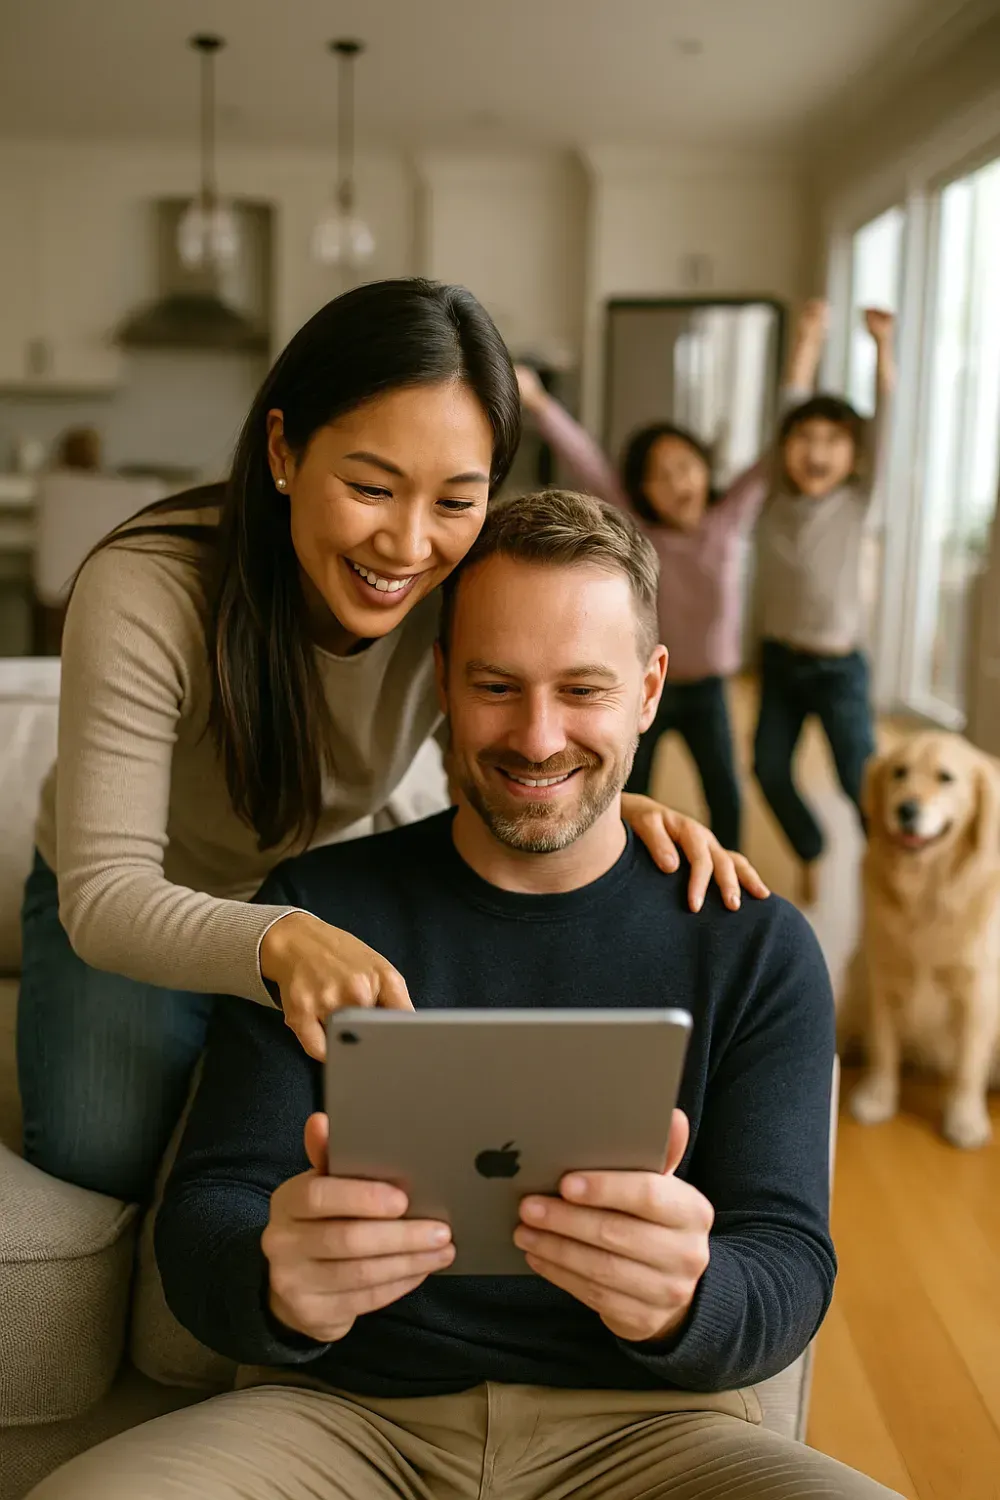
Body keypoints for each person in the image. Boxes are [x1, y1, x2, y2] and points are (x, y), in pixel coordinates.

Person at [29, 490, 900, 1500]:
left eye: (583, 690)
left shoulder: (755, 945)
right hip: (341, 1422)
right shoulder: (318, 912)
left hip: (652, 1436)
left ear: (651, 689)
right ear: (440, 680)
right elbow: (206, 1216)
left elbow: (789, 1261)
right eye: (497, 685)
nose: (537, 738)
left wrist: (689, 1298)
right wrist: (274, 1281)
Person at [17, 280, 767, 1204]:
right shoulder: (146, 590)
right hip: (138, 899)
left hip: (318, 882)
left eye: (457, 498)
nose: (408, 546)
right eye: (370, 487)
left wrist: (609, 803)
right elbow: (106, 893)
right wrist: (276, 941)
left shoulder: (461, 576)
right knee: (103, 1162)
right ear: (284, 448)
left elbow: (515, 733)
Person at [516, 366, 770, 854]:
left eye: (686, 466)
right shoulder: (638, 528)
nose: (678, 482)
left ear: (705, 469)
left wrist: (805, 350)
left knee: (724, 792)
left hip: (710, 689)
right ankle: (631, 865)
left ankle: (731, 871)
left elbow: (769, 461)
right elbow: (586, 462)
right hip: (648, 685)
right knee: (631, 789)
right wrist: (540, 402)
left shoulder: (729, 520)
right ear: (642, 491)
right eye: (661, 474)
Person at [752, 300, 895, 905]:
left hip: (839, 669)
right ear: (785, 449)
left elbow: (888, 424)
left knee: (859, 782)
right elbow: (789, 401)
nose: (815, 452)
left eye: (832, 442)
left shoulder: (860, 501)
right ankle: (811, 848)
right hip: (780, 662)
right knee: (768, 769)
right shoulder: (774, 499)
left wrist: (882, 350)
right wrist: (807, 340)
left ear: (854, 455)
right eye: (804, 439)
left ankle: (890, 870)